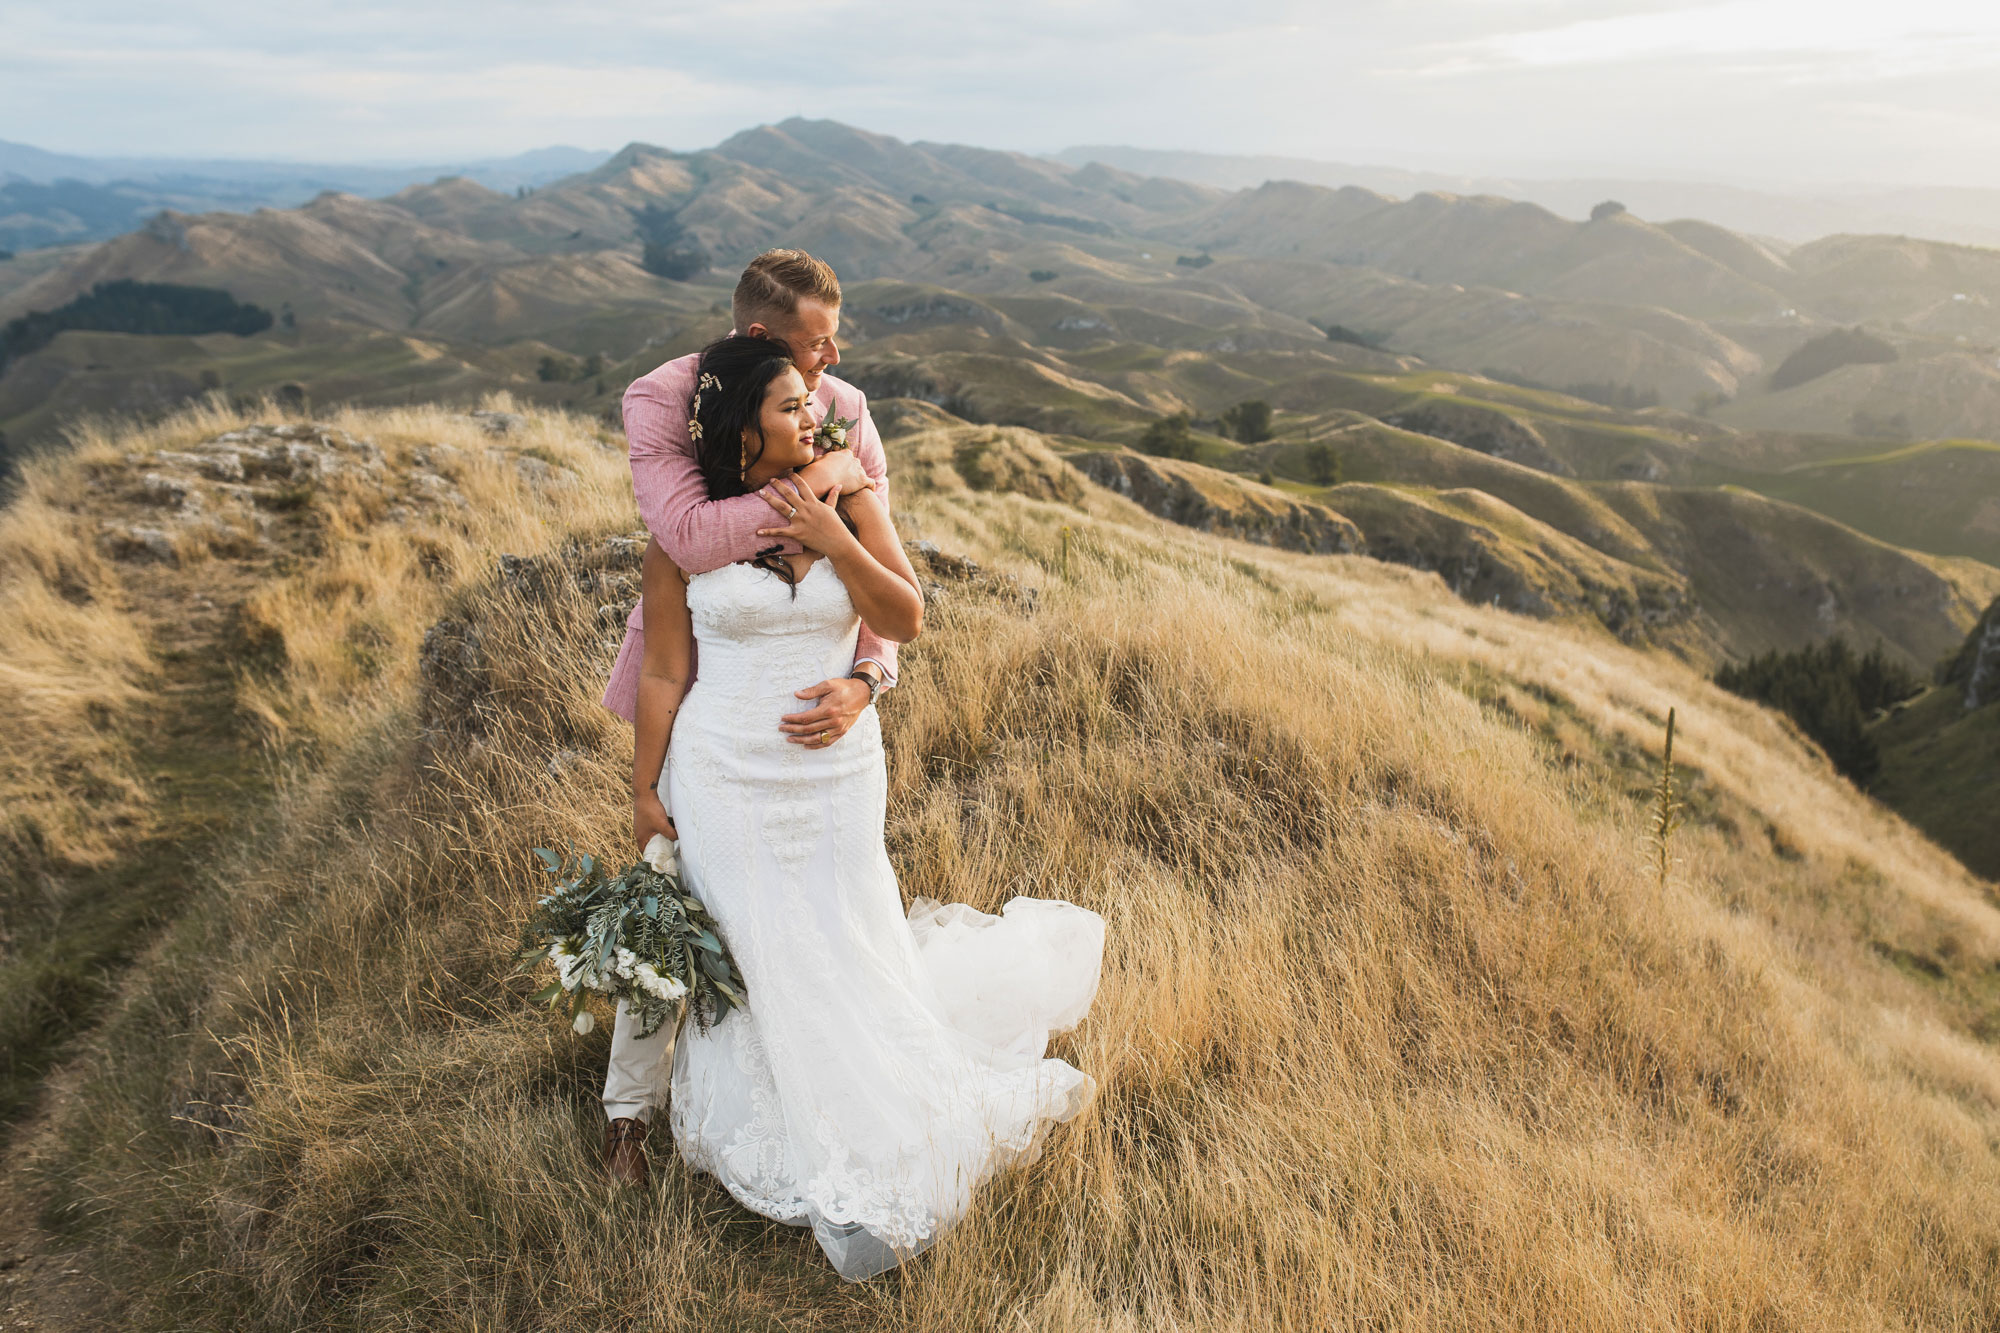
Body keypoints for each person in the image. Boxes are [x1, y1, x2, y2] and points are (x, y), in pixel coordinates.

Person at [620, 332, 1105, 1281]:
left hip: (837, 775)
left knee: (843, 924)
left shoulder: (855, 492)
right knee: (753, 938)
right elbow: (665, 671)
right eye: (791, 406)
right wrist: (644, 787)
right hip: (723, 771)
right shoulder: (684, 540)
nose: (816, 416)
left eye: (811, 403)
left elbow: (909, 614)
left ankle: (875, 1080)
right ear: (739, 430)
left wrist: (839, 537)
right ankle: (727, 1109)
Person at [597, 249, 888, 1169]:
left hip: (822, 726)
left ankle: (808, 1080)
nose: (831, 362)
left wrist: (869, 677)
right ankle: (628, 1113)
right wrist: (812, 490)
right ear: (762, 338)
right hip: (707, 712)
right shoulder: (661, 400)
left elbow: (883, 575)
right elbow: (684, 536)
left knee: (810, 917)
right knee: (669, 895)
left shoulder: (843, 408)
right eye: (814, 346)